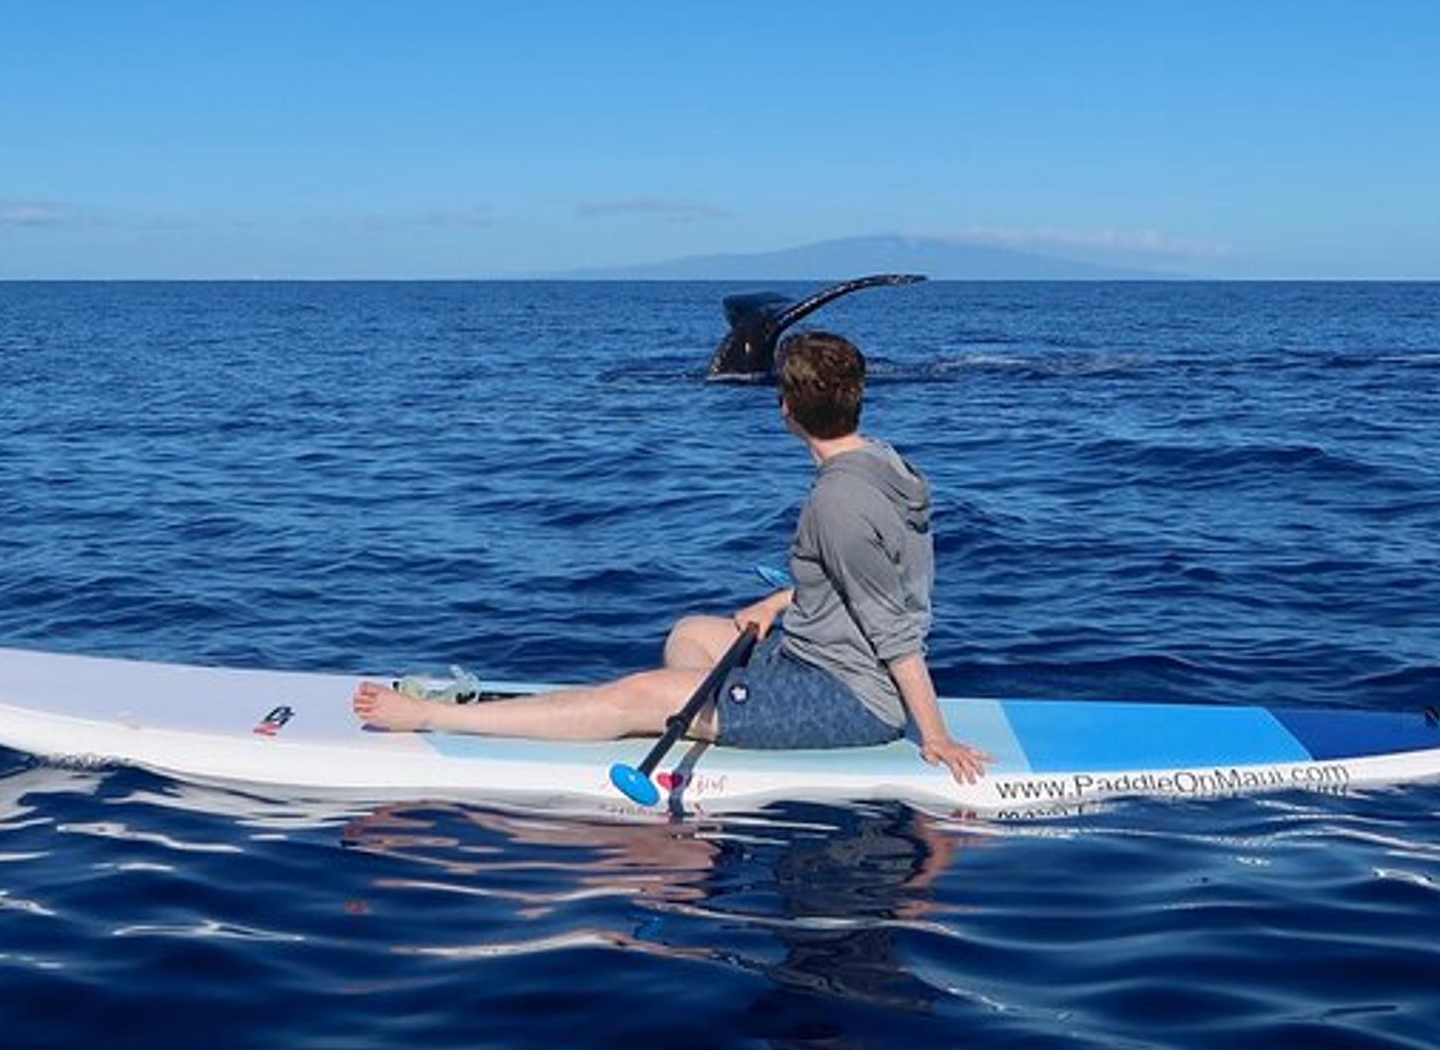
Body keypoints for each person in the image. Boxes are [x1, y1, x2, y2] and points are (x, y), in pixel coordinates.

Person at [353, 331, 992, 783]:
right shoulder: (880, 462)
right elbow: (861, 576)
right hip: (811, 657)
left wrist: (934, 737)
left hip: (850, 698)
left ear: (787, 409)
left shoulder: (838, 502)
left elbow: (894, 628)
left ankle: (431, 715)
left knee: (635, 696)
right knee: (690, 635)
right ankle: (723, 735)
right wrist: (778, 602)